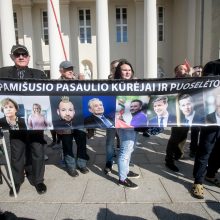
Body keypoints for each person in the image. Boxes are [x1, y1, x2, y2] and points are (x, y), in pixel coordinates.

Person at [0, 44, 47, 196]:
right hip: (15, 122)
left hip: (35, 122)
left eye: (24, 54)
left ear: (28, 57)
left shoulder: (39, 74)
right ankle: (17, 181)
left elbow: (49, 93)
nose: (21, 57)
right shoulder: (3, 73)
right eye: (17, 54)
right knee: (17, 153)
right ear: (12, 57)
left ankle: (38, 180)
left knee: (37, 151)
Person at [191, 59, 220, 199]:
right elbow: (206, 84)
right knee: (205, 150)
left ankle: (211, 174)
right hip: (212, 118)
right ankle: (198, 181)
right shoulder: (213, 65)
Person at [56, 61, 89, 177]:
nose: (70, 71)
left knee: (82, 142)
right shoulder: (56, 84)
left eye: (71, 68)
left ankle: (82, 164)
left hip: (79, 120)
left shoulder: (78, 83)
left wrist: (82, 83)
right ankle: (71, 166)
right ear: (61, 71)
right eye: (67, 69)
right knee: (67, 144)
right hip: (64, 121)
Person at [113, 60, 140, 189]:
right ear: (119, 72)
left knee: (130, 148)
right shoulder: (115, 85)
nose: (127, 71)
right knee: (125, 150)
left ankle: (126, 171)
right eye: (124, 70)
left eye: (129, 69)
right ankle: (122, 179)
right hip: (124, 123)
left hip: (134, 122)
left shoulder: (134, 84)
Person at [165, 94, 204, 172]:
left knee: (183, 136)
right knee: (175, 138)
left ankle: (177, 154)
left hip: (188, 113)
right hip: (179, 115)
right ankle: (169, 160)